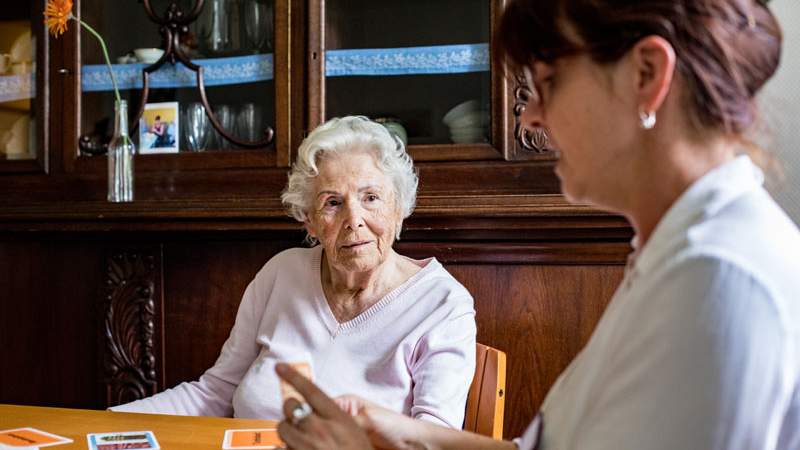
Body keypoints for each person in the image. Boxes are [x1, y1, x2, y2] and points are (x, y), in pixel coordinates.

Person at [274, 1, 800, 449]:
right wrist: (406, 433)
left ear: (646, 75)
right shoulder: (676, 255)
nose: (530, 117)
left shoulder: (720, 278)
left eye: (549, 82)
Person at [111, 116, 477, 427]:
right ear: (310, 221)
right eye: (332, 202)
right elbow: (215, 393)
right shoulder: (282, 273)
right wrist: (105, 423)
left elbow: (434, 439)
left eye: (371, 198)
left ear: (399, 209)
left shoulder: (442, 305)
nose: (354, 220)